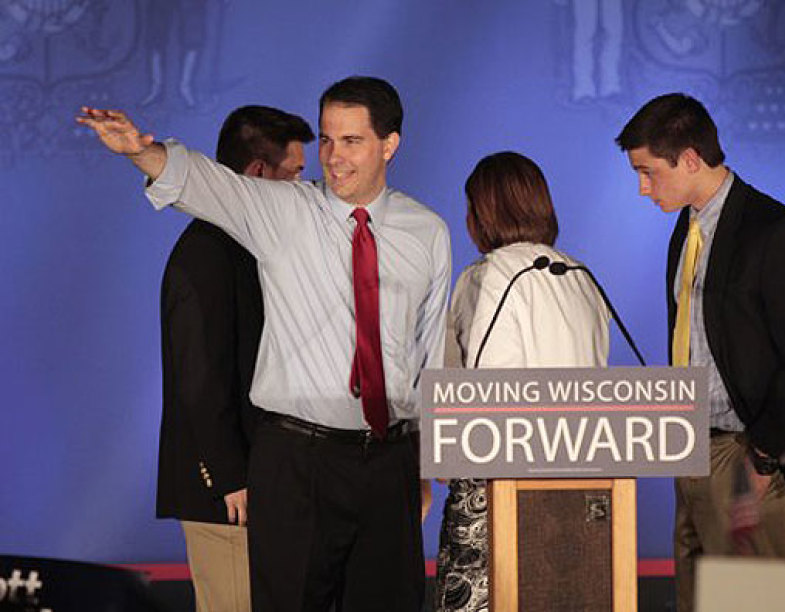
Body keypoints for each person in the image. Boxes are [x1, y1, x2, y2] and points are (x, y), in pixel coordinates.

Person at [77, 75, 451, 612]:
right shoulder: (284, 210)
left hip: (388, 459)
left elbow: (427, 351)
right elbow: (204, 182)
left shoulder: (427, 232)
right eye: (326, 140)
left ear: (389, 144)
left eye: (352, 141)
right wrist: (142, 151)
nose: (334, 158)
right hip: (298, 459)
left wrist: (422, 461)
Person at [615, 93, 785, 612]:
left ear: (690, 159)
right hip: (691, 449)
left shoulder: (778, 233)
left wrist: (761, 459)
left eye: (648, 172)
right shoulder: (687, 230)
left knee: (765, 604)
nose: (642, 189)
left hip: (750, 457)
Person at [435, 151, 610, 612]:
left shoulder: (485, 275)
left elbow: (464, 390)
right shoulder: (582, 277)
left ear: (482, 213)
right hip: (578, 485)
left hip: (498, 483)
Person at [157, 105, 314, 612]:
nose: (305, 188)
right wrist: (231, 477)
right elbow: (199, 379)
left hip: (264, 485)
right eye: (296, 174)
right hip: (228, 496)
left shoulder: (251, 250)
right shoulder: (206, 254)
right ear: (257, 174)